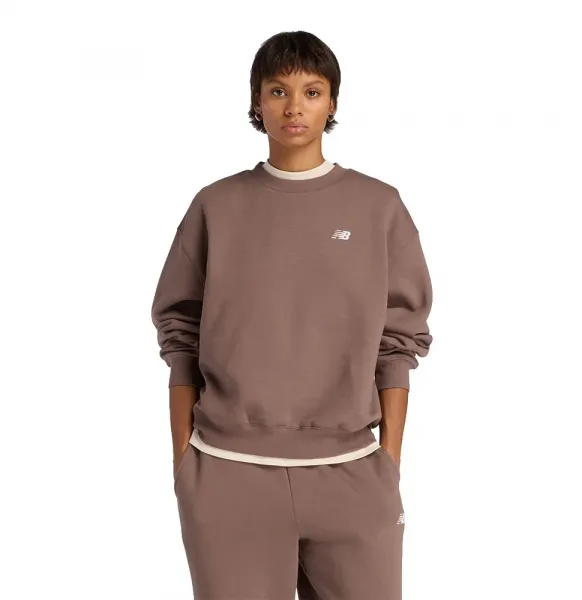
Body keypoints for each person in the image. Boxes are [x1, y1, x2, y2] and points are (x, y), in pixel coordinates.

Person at [150, 30, 434, 600]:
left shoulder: (378, 207)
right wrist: (184, 460)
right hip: (228, 472)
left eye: (312, 91)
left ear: (333, 103)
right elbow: (180, 332)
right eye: (278, 90)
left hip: (352, 470)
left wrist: (389, 461)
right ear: (257, 102)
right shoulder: (216, 205)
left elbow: (399, 339)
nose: (294, 106)